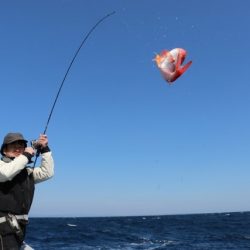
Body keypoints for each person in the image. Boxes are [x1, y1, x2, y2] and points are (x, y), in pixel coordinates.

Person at [0, 132, 54, 250]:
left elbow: (47, 173)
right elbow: (6, 173)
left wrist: (44, 149)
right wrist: (26, 155)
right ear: (4, 150)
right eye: (13, 146)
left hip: (19, 230)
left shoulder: (27, 172)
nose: (18, 149)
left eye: (21, 146)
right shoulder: (1, 166)